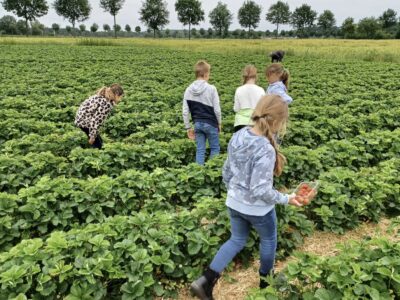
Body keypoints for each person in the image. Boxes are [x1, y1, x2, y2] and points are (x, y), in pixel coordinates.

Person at [190, 95, 310, 300]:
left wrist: (234, 193)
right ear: (278, 122)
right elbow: (260, 191)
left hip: (234, 203)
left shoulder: (239, 134)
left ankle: (206, 280)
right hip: (258, 210)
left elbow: (227, 170)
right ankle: (266, 280)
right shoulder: (265, 149)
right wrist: (286, 198)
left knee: (236, 239)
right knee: (269, 239)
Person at [183, 60, 222, 165]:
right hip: (211, 123)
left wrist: (188, 128)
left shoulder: (188, 90)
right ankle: (212, 169)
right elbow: (217, 109)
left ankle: (198, 172)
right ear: (205, 74)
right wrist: (219, 123)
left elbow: (185, 112)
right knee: (214, 148)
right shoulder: (211, 89)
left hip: (197, 124)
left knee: (200, 150)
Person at [75, 84, 124, 149]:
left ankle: (88, 147)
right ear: (116, 94)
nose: (121, 99)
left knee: (99, 142)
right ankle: (89, 152)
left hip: (81, 118)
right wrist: (92, 137)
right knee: (98, 145)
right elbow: (95, 121)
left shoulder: (103, 96)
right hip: (85, 122)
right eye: (120, 97)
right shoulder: (105, 104)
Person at [233, 65, 266, 133]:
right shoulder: (261, 90)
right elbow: (264, 109)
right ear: (256, 76)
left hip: (240, 123)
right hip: (256, 123)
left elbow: (236, 109)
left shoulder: (239, 90)